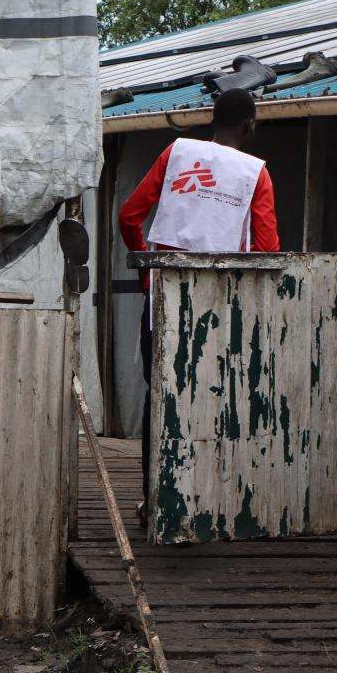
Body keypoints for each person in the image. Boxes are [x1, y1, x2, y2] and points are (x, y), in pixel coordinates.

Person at [117, 89, 279, 527]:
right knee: (216, 395)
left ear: (211, 117)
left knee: (160, 394)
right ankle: (211, 500)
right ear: (250, 124)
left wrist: (146, 269)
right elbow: (266, 249)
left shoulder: (178, 152)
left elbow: (130, 216)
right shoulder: (254, 174)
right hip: (221, 303)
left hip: (163, 298)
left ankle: (154, 501)